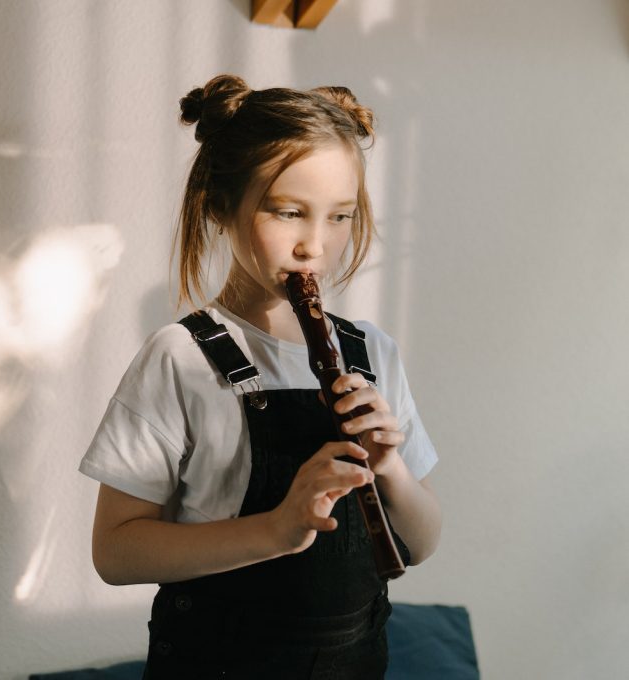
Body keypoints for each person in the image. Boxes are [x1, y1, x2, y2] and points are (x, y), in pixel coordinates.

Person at [80, 74, 442, 679]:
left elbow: (423, 543)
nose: (315, 247)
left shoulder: (371, 352)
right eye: (290, 212)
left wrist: (390, 467)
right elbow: (114, 551)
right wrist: (277, 528)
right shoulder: (180, 358)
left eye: (340, 217)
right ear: (220, 205)